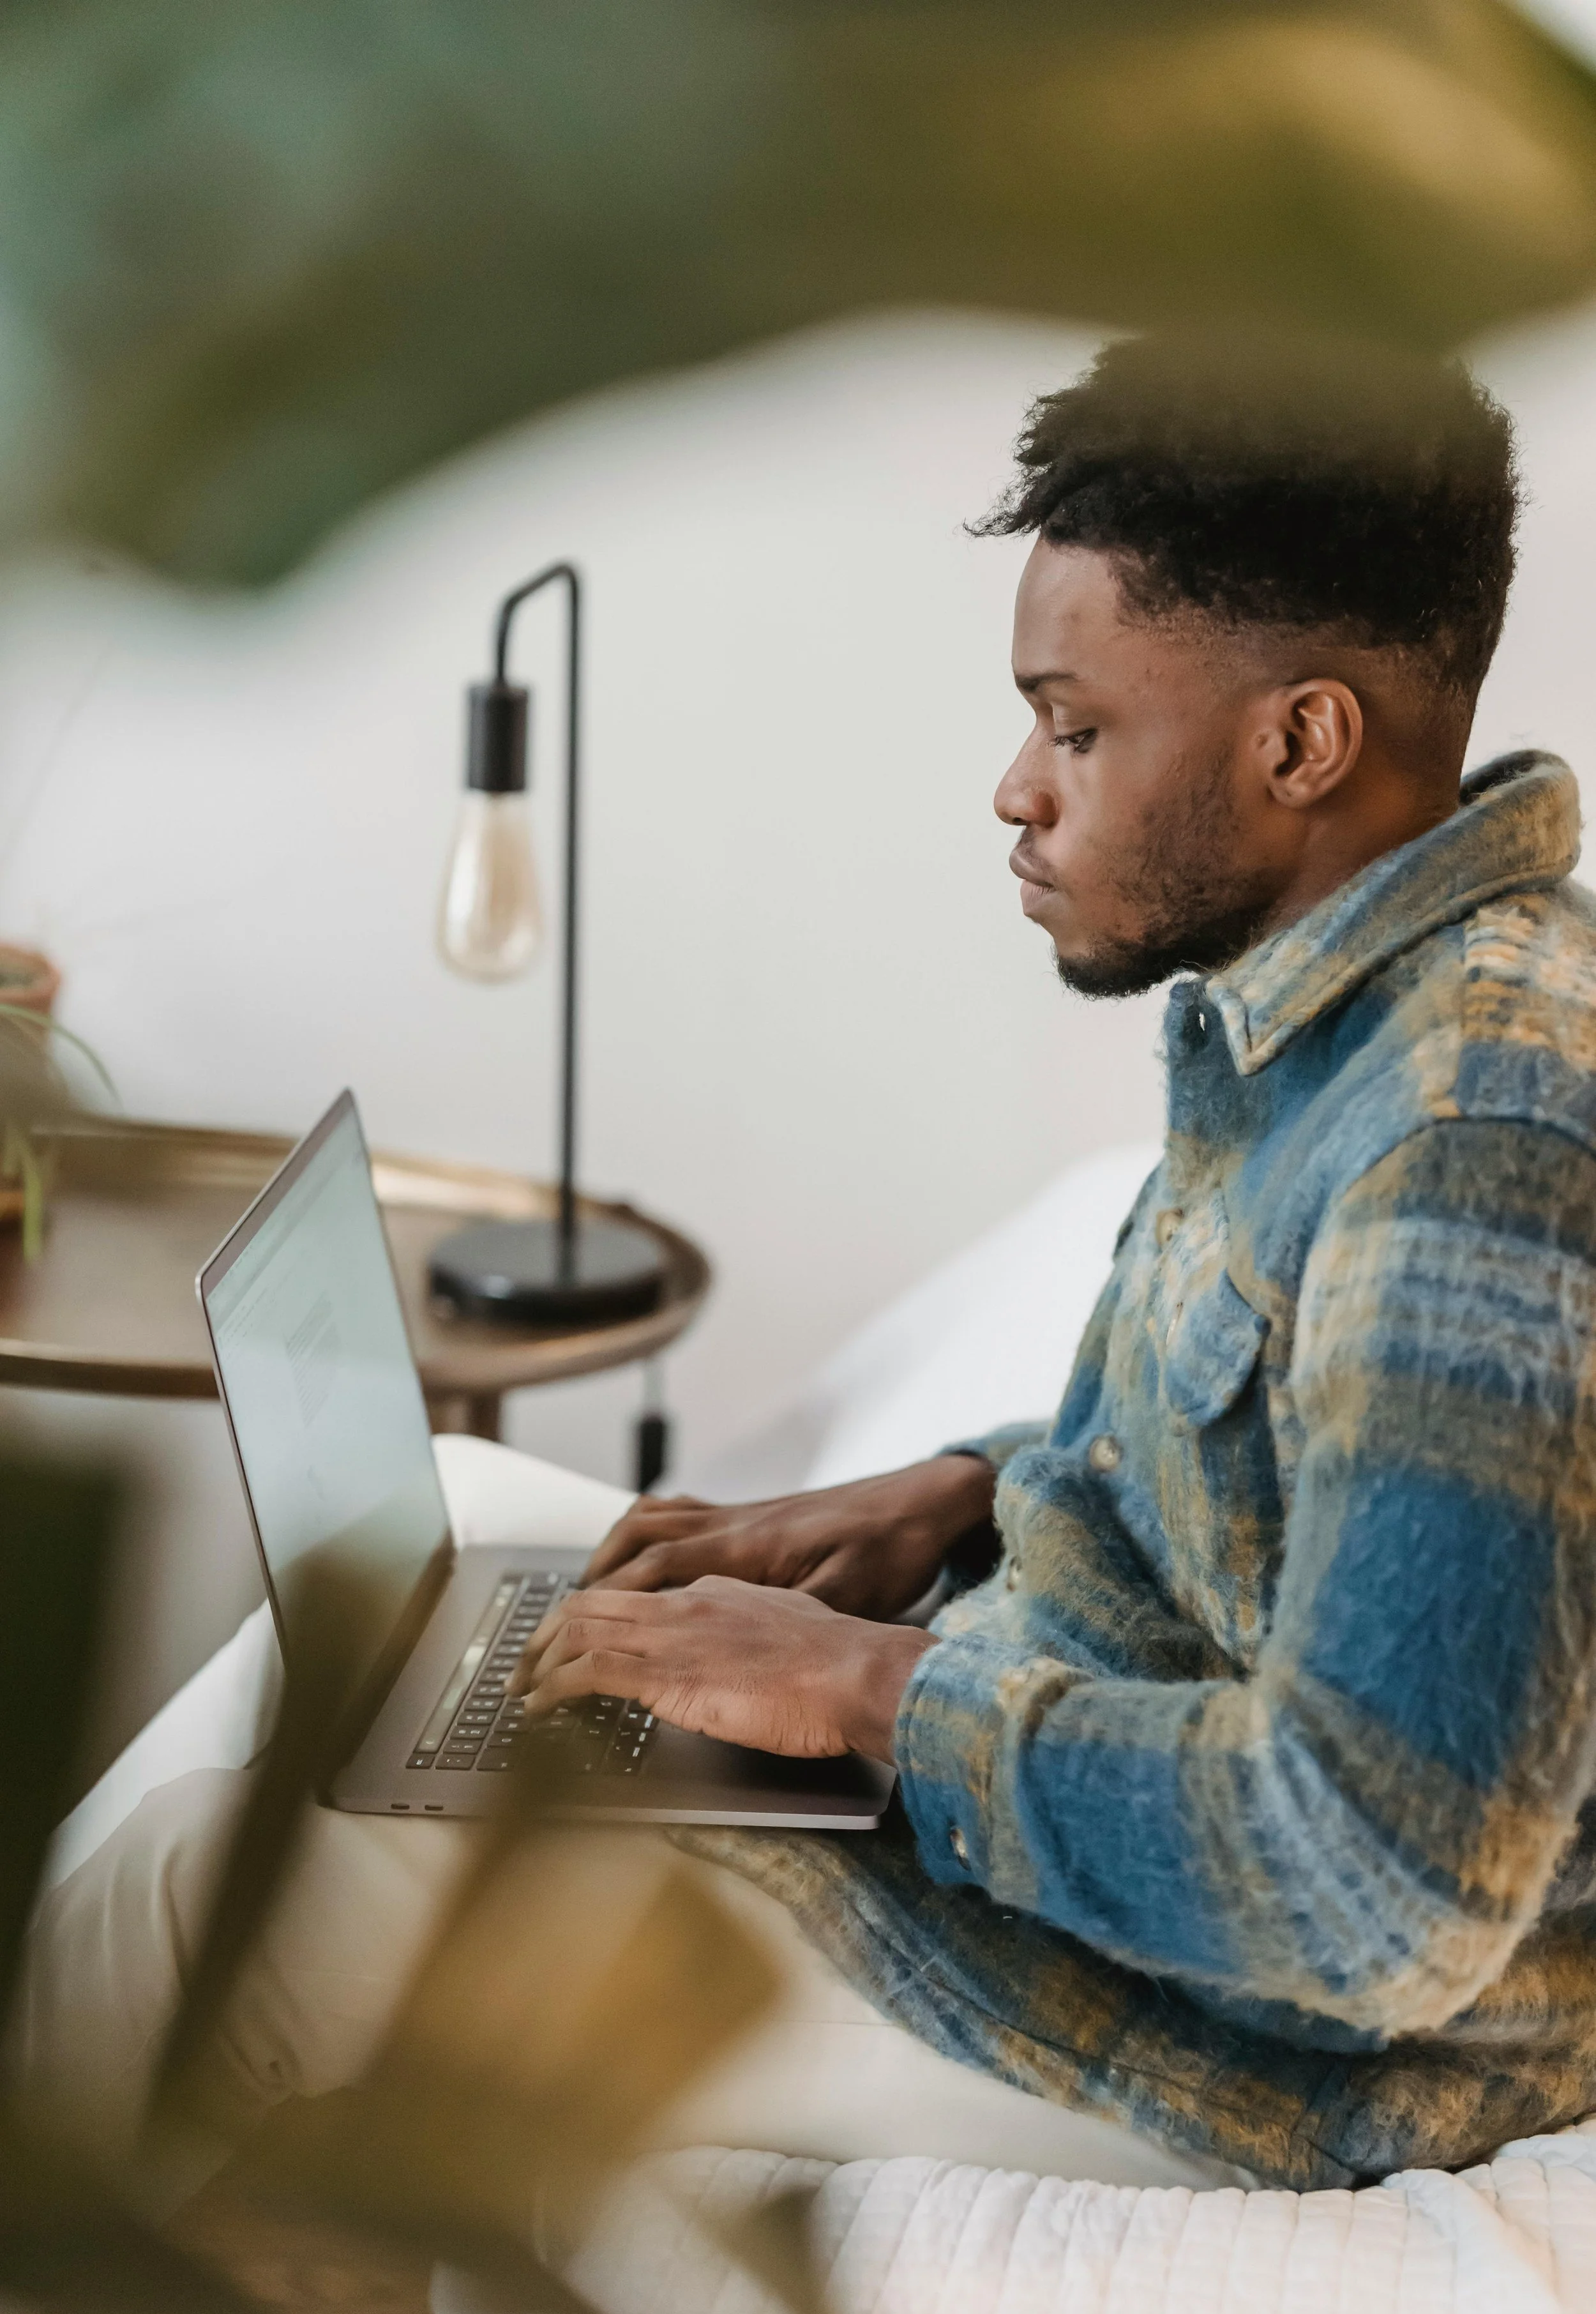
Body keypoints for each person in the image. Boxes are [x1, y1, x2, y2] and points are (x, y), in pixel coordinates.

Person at [16, 328, 1595, 2201]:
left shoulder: (1467, 1141)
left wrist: (852, 1695)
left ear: (1297, 739)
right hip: (1059, 1770)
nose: (1018, 787)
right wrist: (957, 1497)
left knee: (215, 1866)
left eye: (1075, 728)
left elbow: (1372, 1891)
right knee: (451, 1525)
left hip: (1206, 2039)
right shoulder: (1332, 1010)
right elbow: (1291, 1469)